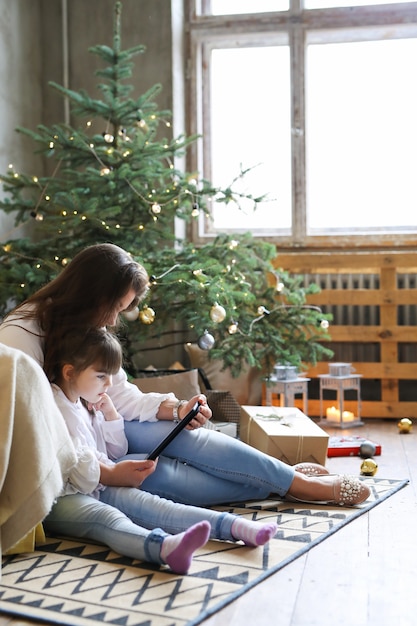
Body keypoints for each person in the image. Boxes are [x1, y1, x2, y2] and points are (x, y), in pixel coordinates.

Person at [0, 242, 370, 507]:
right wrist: (108, 470)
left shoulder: (83, 323)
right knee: (159, 475)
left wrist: (175, 409)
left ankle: (293, 480)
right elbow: (34, 430)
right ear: (90, 294)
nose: (113, 320)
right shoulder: (22, 334)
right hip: (71, 462)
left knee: (178, 435)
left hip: (100, 433)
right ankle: (285, 484)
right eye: (115, 307)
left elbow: (117, 393)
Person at [44, 326, 278, 574]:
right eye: (102, 376)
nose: (110, 383)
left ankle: (235, 527)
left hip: (98, 484)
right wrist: (113, 475)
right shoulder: (52, 404)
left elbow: (116, 449)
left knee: (154, 506)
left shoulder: (86, 401)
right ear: (70, 372)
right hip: (62, 497)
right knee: (108, 521)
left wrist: (110, 414)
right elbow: (73, 464)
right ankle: (163, 547)